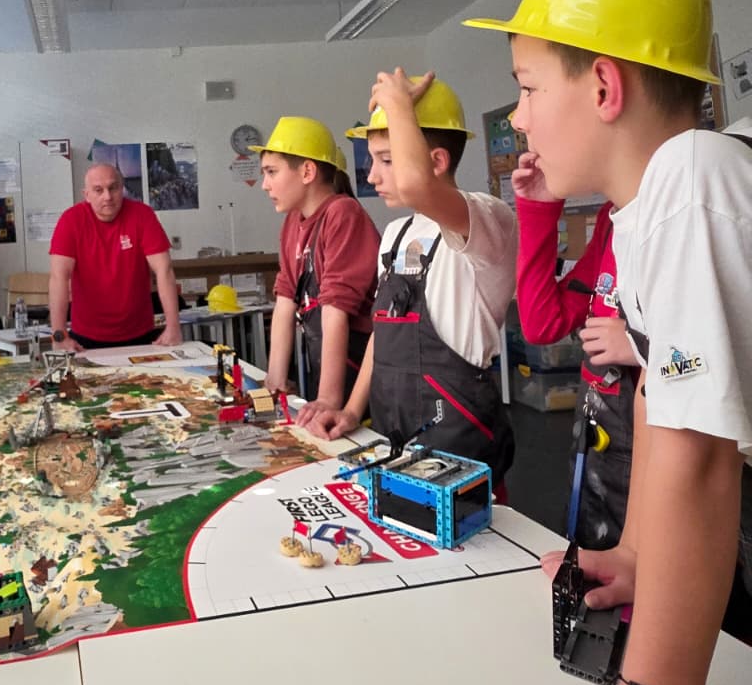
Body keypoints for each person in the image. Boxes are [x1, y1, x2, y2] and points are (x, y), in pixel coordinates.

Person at [465, 0, 752, 685]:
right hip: (725, 500)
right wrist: (635, 552)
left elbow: (702, 446)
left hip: (739, 497)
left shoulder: (693, 179)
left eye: (527, 87)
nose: (520, 118)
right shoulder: (647, 209)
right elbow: (660, 400)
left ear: (604, 86)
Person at [299, 74, 516, 492]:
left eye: (386, 159)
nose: (371, 175)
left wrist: (399, 106)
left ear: (436, 161)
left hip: (461, 446)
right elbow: (384, 331)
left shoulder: (488, 222)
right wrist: (351, 410)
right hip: (393, 437)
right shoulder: (396, 235)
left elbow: (420, 188)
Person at [512, 150, 639, 547]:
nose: (523, 122)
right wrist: (538, 209)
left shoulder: (682, 208)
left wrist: (641, 344)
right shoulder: (610, 218)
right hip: (598, 443)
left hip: (656, 457)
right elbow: (541, 323)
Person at [253, 116, 379, 409]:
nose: (264, 185)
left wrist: (328, 400)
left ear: (307, 171)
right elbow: (285, 299)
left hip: (361, 368)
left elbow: (336, 308)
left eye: (271, 172)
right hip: (326, 361)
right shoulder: (292, 223)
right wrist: (275, 382)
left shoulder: (342, 213)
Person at [48, 162, 183, 351]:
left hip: (140, 334)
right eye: (98, 190)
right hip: (86, 337)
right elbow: (58, 278)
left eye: (113, 188)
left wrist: (173, 327)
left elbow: (164, 270)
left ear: (122, 188)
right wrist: (59, 335)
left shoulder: (142, 215)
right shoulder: (71, 220)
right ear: (86, 195)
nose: (108, 196)